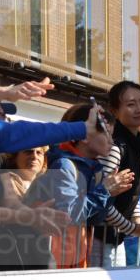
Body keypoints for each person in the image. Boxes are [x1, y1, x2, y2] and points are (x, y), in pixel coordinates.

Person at [27, 103, 114, 269]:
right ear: (84, 136)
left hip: (74, 258)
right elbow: (71, 213)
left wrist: (111, 192)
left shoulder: (94, 169)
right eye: (106, 133)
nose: (111, 141)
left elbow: (95, 218)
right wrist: (105, 190)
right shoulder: (64, 165)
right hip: (52, 259)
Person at [93, 81, 140, 267]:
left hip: (116, 238)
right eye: (130, 104)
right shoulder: (114, 146)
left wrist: (137, 220)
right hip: (98, 240)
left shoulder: (138, 145)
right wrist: (131, 228)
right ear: (114, 110)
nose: (139, 109)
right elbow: (100, 199)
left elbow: (130, 192)